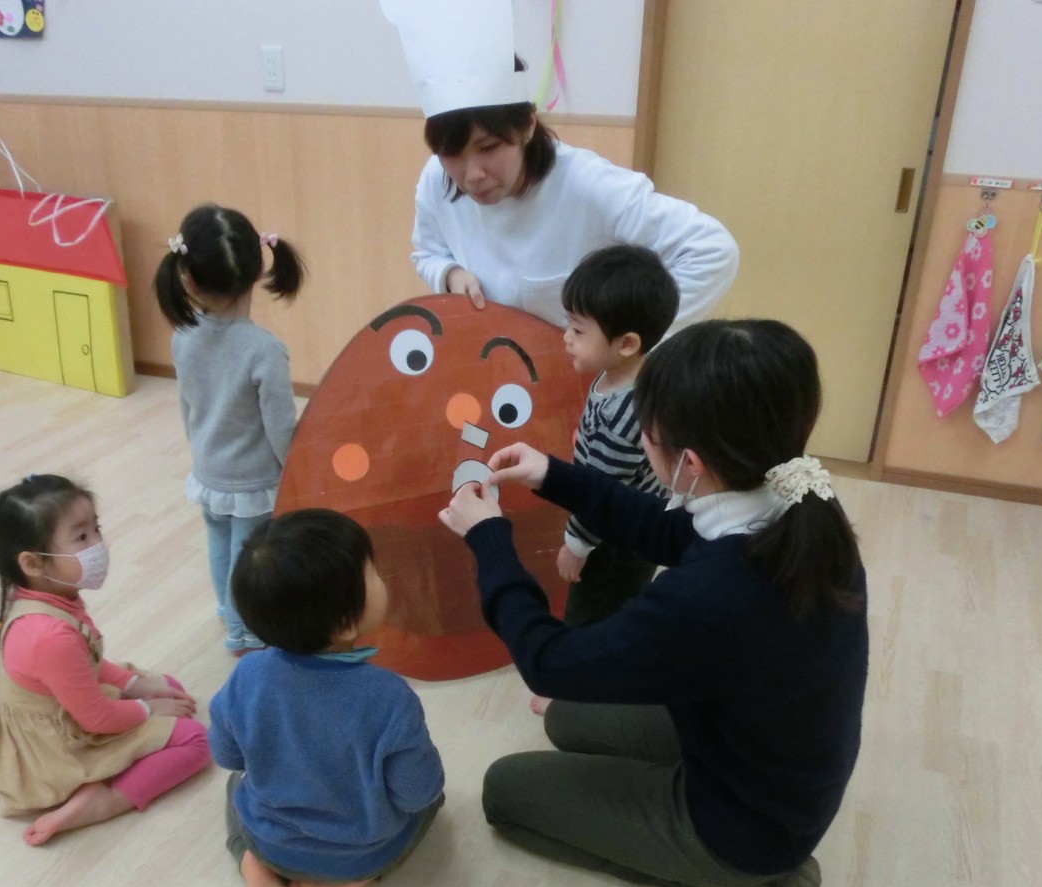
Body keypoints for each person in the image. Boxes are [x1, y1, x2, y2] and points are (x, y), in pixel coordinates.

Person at [438, 320, 869, 887]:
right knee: (565, 719)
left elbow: (548, 662)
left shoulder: (711, 598)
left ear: (690, 462)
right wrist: (552, 474)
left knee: (504, 791)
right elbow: (669, 532)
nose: (641, 438)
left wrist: (488, 538)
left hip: (743, 830)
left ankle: (753, 880)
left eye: (647, 431)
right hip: (763, 758)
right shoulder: (797, 499)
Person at [383, 0, 738, 329]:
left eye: (489, 147)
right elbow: (428, 252)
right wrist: (449, 274)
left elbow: (711, 250)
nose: (472, 174)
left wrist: (629, 340)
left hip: (576, 370)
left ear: (527, 125)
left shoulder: (587, 185)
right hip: (491, 361)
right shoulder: (436, 179)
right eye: (451, 153)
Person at [210, 509, 445, 887]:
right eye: (372, 572)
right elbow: (417, 793)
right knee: (434, 803)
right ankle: (356, 880)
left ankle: (252, 862)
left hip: (273, 844)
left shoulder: (247, 675)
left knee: (234, 789)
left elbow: (228, 756)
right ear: (347, 623)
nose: (381, 578)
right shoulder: (389, 698)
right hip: (360, 852)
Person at [0, 474, 211, 847]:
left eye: (95, 529)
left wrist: (138, 687)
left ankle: (109, 767)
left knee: (169, 689)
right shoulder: (48, 635)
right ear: (32, 562)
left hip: (61, 710)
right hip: (47, 750)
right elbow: (96, 718)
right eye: (81, 537)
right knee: (195, 741)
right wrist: (147, 708)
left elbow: (89, 663)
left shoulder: (45, 595)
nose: (98, 544)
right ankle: (105, 800)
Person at [154, 204, 305, 653]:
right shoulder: (264, 350)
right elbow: (280, 427)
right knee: (249, 557)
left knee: (220, 545)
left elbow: (188, 405)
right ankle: (245, 633)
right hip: (253, 481)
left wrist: (201, 452)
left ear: (187, 279)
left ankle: (227, 612)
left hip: (209, 471)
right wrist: (295, 473)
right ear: (257, 271)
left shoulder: (182, 336)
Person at [554, 244, 678, 627]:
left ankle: (587, 665)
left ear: (627, 344)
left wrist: (575, 546)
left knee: (592, 616)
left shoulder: (623, 417)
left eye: (578, 330)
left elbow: (601, 495)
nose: (566, 337)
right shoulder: (627, 377)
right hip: (634, 520)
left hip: (615, 541)